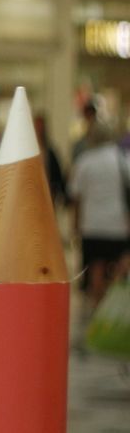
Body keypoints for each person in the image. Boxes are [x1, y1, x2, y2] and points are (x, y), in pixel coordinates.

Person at [67, 122, 130, 307]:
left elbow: (76, 198)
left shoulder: (85, 161)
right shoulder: (122, 160)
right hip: (117, 225)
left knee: (96, 268)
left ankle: (97, 306)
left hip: (91, 225)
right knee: (119, 266)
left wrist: (75, 225)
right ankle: (113, 304)